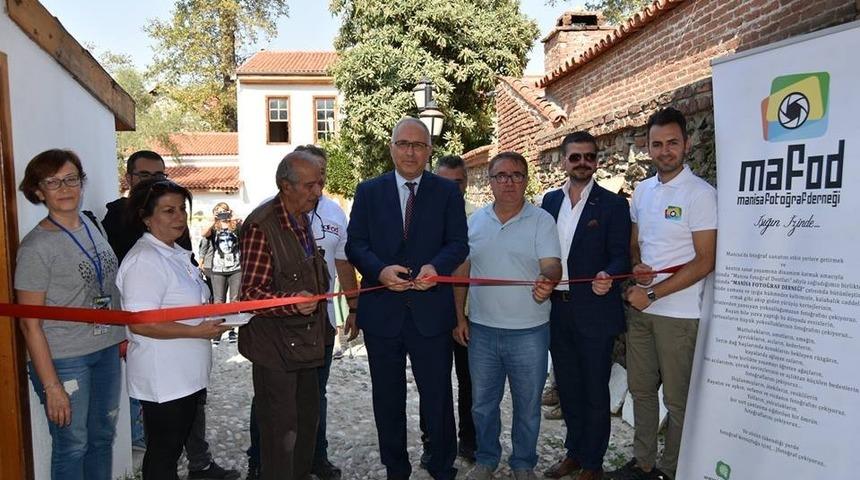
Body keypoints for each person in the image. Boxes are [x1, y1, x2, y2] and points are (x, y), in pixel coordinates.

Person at [102, 150, 237, 480]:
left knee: (173, 450)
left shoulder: (176, 253)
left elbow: (186, 303)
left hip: (186, 373)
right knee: (163, 455)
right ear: (146, 217)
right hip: (164, 378)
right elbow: (142, 322)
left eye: (181, 210)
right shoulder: (144, 260)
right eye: (168, 211)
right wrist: (197, 331)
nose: (179, 217)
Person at [346, 118, 468, 480]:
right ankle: (395, 468)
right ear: (392, 147)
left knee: (438, 396)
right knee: (387, 397)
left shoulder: (446, 193)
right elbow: (356, 244)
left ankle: (442, 463)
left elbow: (458, 244)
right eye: (404, 144)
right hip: (383, 313)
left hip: (431, 313)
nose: (411, 151)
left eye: (419, 145)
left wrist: (436, 266)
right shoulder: (368, 191)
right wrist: (379, 271)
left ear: (429, 151)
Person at [608, 108, 717, 480]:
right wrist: (638, 266)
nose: (665, 150)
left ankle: (670, 471)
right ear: (648, 148)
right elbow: (636, 245)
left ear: (687, 143)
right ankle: (643, 463)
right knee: (640, 390)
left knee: (677, 400)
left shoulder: (701, 195)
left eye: (672, 142)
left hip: (679, 315)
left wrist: (652, 294)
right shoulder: (642, 190)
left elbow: (704, 262)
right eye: (657, 144)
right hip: (642, 308)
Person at [15, 149, 124, 480]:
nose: (64, 188)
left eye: (71, 179)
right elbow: (29, 323)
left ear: (81, 182)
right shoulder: (36, 247)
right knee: (72, 444)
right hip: (65, 359)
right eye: (52, 182)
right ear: (38, 191)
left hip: (105, 350)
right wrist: (52, 387)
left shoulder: (93, 226)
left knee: (102, 439)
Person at [452, 152, 561, 480]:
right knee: (482, 405)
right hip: (483, 331)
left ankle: (523, 464)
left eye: (516, 175)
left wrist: (549, 279)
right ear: (490, 180)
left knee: (527, 407)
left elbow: (552, 264)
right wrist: (460, 318)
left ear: (526, 180)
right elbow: (462, 273)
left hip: (530, 331)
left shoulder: (542, 221)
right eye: (501, 175)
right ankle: (486, 459)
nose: (509, 182)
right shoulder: (475, 222)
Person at [540, 131, 632, 480]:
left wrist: (610, 272)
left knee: (594, 389)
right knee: (568, 386)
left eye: (588, 157)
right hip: (556, 310)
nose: (582, 163)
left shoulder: (612, 204)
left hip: (595, 310)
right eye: (575, 157)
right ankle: (574, 453)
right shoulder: (548, 202)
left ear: (597, 160)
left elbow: (621, 255)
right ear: (563, 161)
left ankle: (592, 463)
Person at [238, 151, 329, 480]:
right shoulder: (261, 226)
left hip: (305, 344)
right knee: (281, 436)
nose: (317, 192)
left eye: (319, 183)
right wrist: (292, 302)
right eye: (309, 185)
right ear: (284, 186)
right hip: (274, 349)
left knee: (306, 425)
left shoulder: (302, 217)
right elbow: (250, 295)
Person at [419, 155, 477, 467]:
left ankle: (469, 441)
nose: (451, 189)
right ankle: (433, 443)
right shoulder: (423, 218)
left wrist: (464, 316)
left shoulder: (479, 218)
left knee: (471, 382)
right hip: (434, 314)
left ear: (466, 183)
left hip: (469, 315)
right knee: (433, 383)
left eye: (457, 183)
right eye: (444, 183)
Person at [199, 202, 243, 344]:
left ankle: (231, 330)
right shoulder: (214, 227)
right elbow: (204, 234)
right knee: (219, 301)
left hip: (236, 268)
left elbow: (245, 234)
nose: (222, 213)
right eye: (219, 211)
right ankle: (217, 331)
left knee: (235, 301)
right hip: (218, 269)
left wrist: (234, 217)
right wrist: (214, 220)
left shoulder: (235, 226)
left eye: (224, 211)